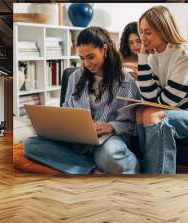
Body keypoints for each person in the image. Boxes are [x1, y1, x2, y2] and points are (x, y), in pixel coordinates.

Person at [24, 27, 141, 174]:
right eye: (82, 58)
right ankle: (90, 167)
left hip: (107, 140)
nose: (86, 63)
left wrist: (111, 126)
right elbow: (66, 110)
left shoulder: (126, 81)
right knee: (31, 144)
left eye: (91, 57)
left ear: (104, 49)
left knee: (112, 157)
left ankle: (84, 164)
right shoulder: (75, 78)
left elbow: (132, 124)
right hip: (77, 140)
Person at [135, 6, 188, 174]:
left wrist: (153, 104)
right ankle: (146, 172)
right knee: (140, 113)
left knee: (153, 115)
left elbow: (166, 103)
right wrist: (143, 58)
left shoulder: (184, 53)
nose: (143, 38)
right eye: (141, 32)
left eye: (148, 32)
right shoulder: (152, 56)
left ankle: (158, 177)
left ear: (163, 29)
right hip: (177, 110)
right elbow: (149, 97)